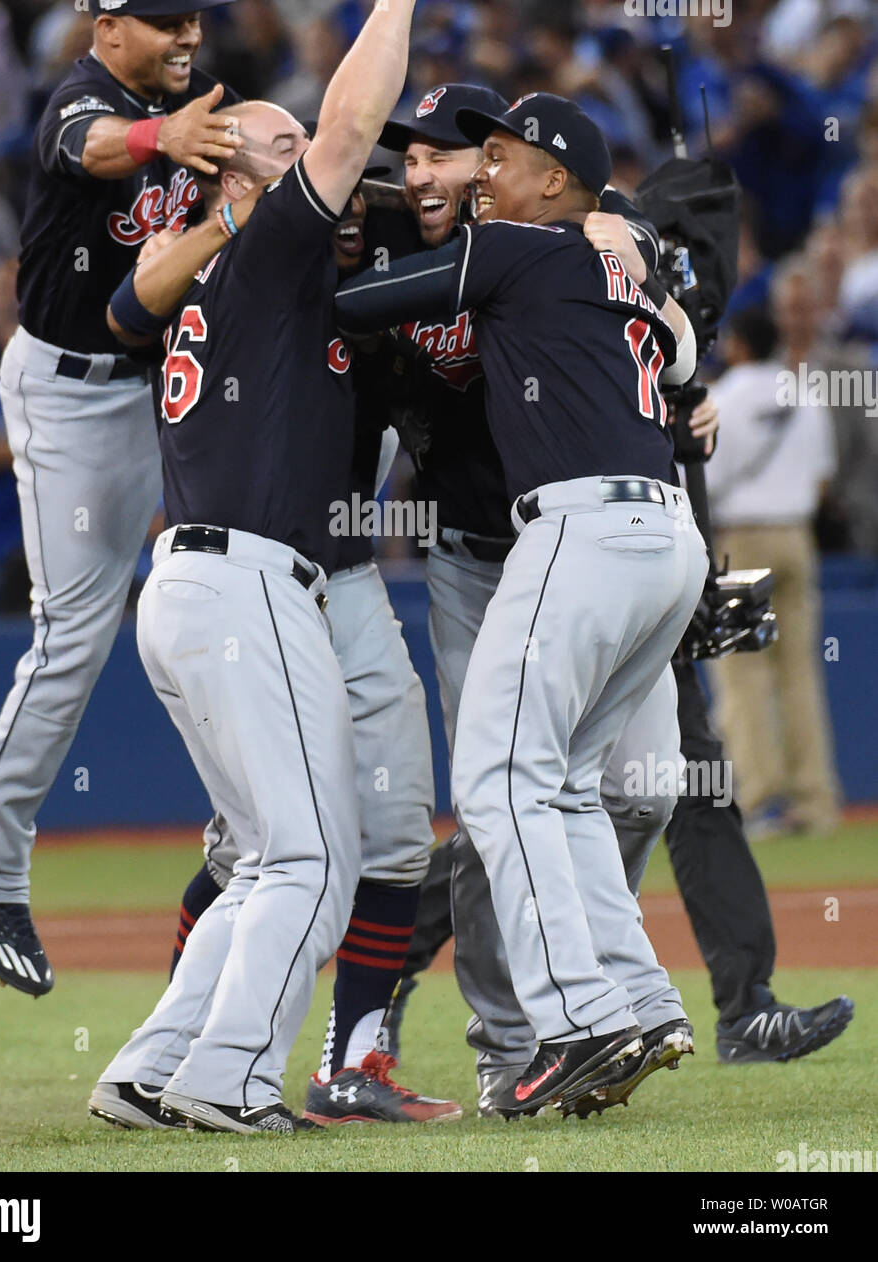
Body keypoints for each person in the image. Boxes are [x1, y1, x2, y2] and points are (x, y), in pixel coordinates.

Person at [87, 0, 466, 1137]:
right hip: (246, 584)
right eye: (280, 142)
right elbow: (358, 119)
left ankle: (151, 1066)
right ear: (233, 175)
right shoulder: (256, 246)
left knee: (263, 858)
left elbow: (130, 301)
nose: (312, 151)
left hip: (198, 584)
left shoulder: (224, 270)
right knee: (311, 854)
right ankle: (231, 1078)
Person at [336, 92, 709, 1118]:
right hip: (662, 534)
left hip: (574, 530)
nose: (477, 171)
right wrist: (625, 241)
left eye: (494, 156)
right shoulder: (602, 262)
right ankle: (639, 999)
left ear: (553, 182)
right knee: (567, 787)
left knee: (503, 779)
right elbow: (676, 355)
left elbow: (351, 306)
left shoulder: (516, 247)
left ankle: (582, 1020)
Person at [0, 0, 244, 997]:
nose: (188, 34)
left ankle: (247, 828)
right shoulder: (82, 96)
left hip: (166, 380)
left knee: (217, 595)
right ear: (107, 25)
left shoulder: (199, 105)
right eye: (168, 20)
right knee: (74, 631)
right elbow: (94, 147)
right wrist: (178, 134)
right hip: (72, 391)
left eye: (193, 16)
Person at [706, 299, 842, 835]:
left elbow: (707, 481)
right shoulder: (805, 393)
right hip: (796, 538)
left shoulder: (724, 398)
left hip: (744, 539)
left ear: (738, 344)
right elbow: (823, 478)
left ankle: (759, 799)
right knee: (799, 673)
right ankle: (815, 803)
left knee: (743, 673)